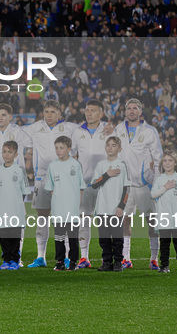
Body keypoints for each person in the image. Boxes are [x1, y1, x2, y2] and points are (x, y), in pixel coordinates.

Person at [22, 100, 78, 269]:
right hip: (42, 178)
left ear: (59, 113)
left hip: (64, 180)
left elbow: (88, 132)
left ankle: (67, 256)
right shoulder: (35, 128)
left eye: (53, 111)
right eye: (46, 111)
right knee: (42, 216)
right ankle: (41, 256)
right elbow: (15, 134)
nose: (49, 115)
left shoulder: (70, 128)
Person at [0, 103, 32, 267]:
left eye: (4, 115)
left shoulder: (17, 132)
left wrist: (28, 163)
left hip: (14, 182)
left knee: (16, 220)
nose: (0, 118)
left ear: (10, 116)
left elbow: (31, 143)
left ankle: (17, 257)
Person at [115, 98, 163, 269]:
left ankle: (154, 258)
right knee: (124, 222)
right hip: (125, 187)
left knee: (152, 223)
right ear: (125, 111)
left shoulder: (150, 131)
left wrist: (156, 184)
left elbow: (158, 160)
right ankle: (125, 258)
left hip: (145, 185)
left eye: (135, 108)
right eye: (129, 108)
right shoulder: (119, 129)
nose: (132, 111)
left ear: (140, 111)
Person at [70, 99, 113, 269]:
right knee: (84, 219)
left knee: (105, 221)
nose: (88, 113)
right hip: (85, 183)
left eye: (93, 110)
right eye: (87, 110)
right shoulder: (78, 131)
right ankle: (84, 257)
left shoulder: (110, 130)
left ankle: (106, 257)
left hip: (105, 183)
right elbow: (72, 154)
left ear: (101, 113)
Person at [44, 136, 86, 271]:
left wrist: (76, 204)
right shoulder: (52, 165)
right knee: (59, 237)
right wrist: (57, 202)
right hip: (58, 208)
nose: (58, 151)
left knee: (73, 236)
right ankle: (60, 261)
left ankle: (73, 261)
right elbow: (51, 189)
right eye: (56, 148)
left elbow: (81, 187)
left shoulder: (75, 164)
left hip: (72, 208)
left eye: (61, 148)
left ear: (69, 149)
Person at [91, 137, 130, 272]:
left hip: (116, 209)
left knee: (117, 237)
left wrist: (121, 206)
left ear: (119, 149)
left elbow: (127, 188)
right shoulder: (101, 165)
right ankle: (107, 262)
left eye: (114, 145)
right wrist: (107, 174)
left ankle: (118, 262)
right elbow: (94, 184)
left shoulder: (123, 165)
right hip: (102, 208)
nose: (110, 147)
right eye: (108, 145)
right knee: (104, 238)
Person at [0, 141, 30, 271]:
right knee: (4, 236)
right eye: (4, 151)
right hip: (2, 210)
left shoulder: (20, 170)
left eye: (10, 152)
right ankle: (6, 260)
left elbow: (25, 191)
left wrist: (16, 204)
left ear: (16, 154)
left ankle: (15, 260)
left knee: (14, 236)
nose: (6, 154)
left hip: (15, 210)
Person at [151, 151, 177, 273]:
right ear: (162, 163)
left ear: (175, 163)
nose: (167, 163)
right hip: (164, 217)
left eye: (170, 160)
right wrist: (165, 188)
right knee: (164, 243)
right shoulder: (160, 179)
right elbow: (152, 195)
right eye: (165, 160)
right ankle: (164, 266)